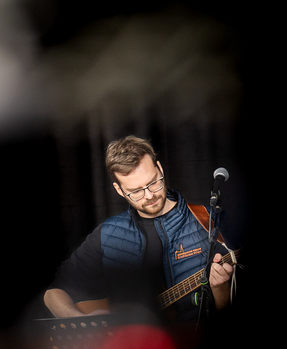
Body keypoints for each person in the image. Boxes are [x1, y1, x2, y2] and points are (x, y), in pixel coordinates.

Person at [44, 136, 235, 321]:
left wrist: (220, 289)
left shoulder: (210, 219)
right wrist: (79, 321)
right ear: (119, 190)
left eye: (153, 183)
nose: (149, 195)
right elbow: (54, 291)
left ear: (159, 168)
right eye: (136, 191)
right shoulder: (107, 234)